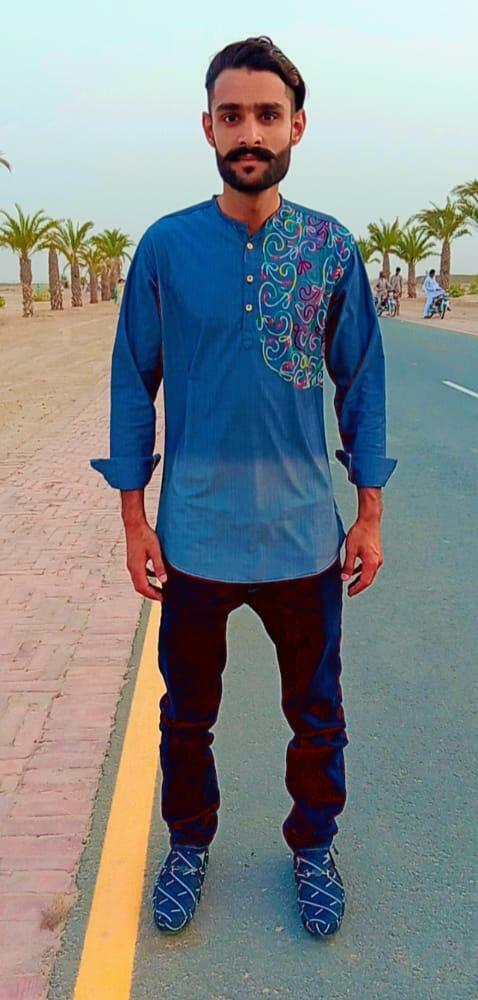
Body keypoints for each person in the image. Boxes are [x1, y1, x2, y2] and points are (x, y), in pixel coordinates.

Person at [91, 36, 397, 939]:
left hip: (304, 538)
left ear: (297, 125)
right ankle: (188, 843)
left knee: (318, 716)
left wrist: (369, 515)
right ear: (208, 128)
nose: (250, 132)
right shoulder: (166, 247)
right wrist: (134, 520)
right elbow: (132, 383)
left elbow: (363, 384)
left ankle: (313, 847)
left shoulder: (330, 248)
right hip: (195, 538)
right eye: (233, 115)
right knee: (186, 716)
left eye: (268, 114)